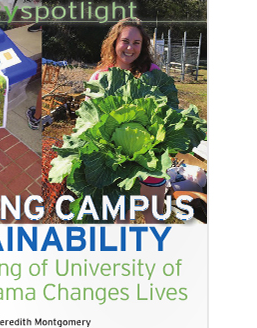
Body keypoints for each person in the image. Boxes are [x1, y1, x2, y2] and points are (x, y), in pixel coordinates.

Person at [90, 17, 169, 224]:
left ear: (142, 47)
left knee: (154, 219)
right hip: (116, 165)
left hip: (151, 159)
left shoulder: (153, 74)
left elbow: (169, 114)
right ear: (114, 43)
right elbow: (88, 123)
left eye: (136, 43)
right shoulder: (100, 78)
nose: (130, 48)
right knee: (121, 223)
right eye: (125, 41)